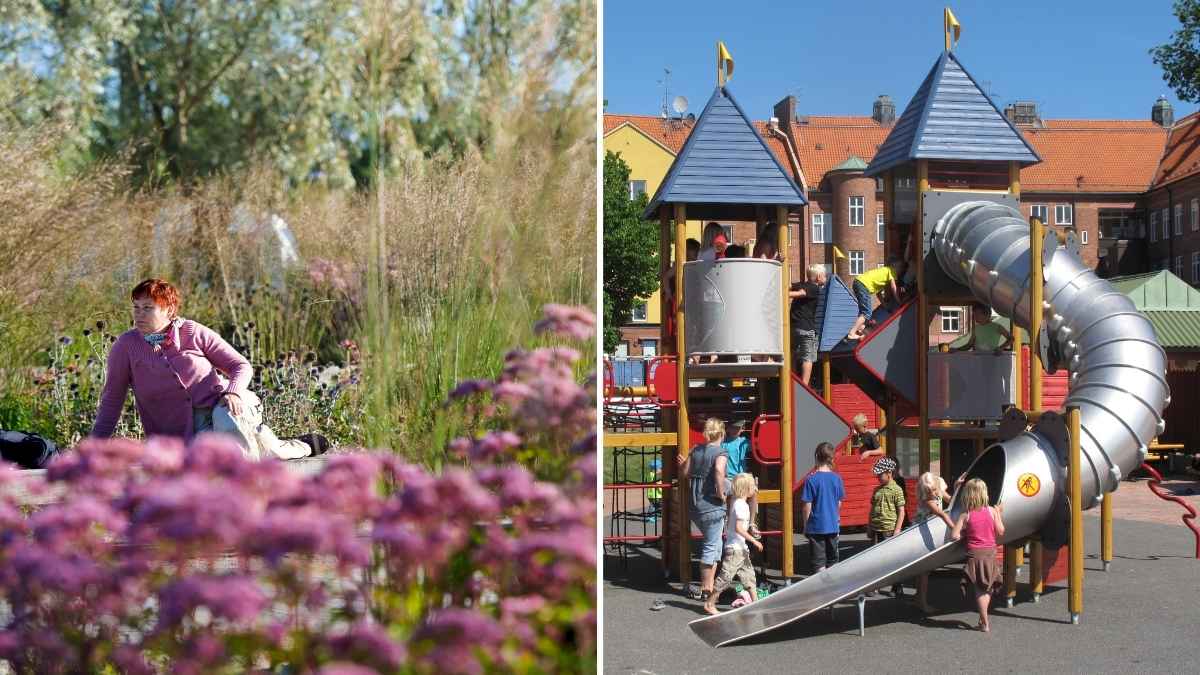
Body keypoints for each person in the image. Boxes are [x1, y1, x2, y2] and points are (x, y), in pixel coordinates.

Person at [91, 278, 329, 460]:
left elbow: (240, 365)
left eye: (148, 308)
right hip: (181, 436)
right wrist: (93, 448)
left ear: (169, 311)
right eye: (136, 308)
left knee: (229, 419)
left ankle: (253, 476)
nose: (139, 315)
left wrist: (233, 391)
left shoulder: (192, 332)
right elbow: (113, 398)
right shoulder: (126, 346)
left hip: (224, 408)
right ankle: (280, 449)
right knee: (264, 452)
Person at [677, 417, 729, 604]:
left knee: (716, 545)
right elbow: (719, 471)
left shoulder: (696, 450)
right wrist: (721, 492)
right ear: (721, 434)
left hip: (695, 505)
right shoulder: (721, 453)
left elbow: (684, 474)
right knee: (710, 546)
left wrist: (684, 464)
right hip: (711, 506)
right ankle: (706, 589)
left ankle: (710, 584)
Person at [950, 478, 1006, 632]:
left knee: (979, 589)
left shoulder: (965, 515)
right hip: (990, 553)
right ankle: (984, 620)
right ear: (984, 493)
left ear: (968, 495)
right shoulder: (992, 511)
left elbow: (954, 535)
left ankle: (984, 621)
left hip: (974, 555)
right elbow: (1001, 531)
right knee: (987, 587)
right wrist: (999, 513)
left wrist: (964, 533)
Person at [703, 472, 763, 615]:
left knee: (749, 577)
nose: (755, 490)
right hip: (735, 549)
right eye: (753, 487)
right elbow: (738, 528)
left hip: (741, 549)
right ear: (745, 489)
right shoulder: (741, 506)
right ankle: (709, 603)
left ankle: (756, 604)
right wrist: (754, 540)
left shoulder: (738, 503)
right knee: (726, 577)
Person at [801, 442, 845, 574]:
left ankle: (821, 589)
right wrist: (836, 519)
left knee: (819, 561)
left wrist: (805, 525)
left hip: (816, 527)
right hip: (832, 525)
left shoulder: (811, 480)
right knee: (832, 560)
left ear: (816, 457)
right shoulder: (837, 479)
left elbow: (806, 506)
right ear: (831, 459)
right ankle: (832, 589)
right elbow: (838, 503)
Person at [914, 472, 954, 613]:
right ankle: (922, 602)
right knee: (925, 569)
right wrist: (955, 528)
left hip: (930, 531)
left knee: (924, 570)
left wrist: (958, 486)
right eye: (928, 491)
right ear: (923, 491)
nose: (932, 493)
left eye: (934, 490)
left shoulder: (938, 491)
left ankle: (918, 597)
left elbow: (951, 500)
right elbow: (942, 514)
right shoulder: (927, 500)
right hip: (922, 533)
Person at [868, 456, 906, 597]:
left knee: (891, 559)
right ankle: (874, 586)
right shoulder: (876, 490)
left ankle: (897, 586)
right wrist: (869, 526)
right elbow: (872, 509)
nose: (877, 477)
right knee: (874, 559)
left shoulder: (896, 490)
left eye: (880, 474)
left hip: (889, 529)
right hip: (876, 528)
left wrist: (897, 529)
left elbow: (901, 511)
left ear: (889, 473)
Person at [848, 256, 903, 340]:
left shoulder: (883, 274)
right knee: (867, 313)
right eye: (899, 267)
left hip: (858, 282)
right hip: (863, 285)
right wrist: (899, 301)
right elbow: (893, 287)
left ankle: (860, 327)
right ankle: (852, 333)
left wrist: (885, 306)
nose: (900, 270)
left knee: (863, 311)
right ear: (894, 266)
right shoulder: (891, 271)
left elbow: (879, 294)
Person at [722, 420, 760, 538]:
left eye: (739, 428)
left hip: (741, 477)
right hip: (728, 477)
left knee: (753, 493)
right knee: (728, 497)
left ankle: (752, 523)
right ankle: (727, 523)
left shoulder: (743, 442)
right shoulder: (723, 443)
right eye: (734, 427)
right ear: (728, 429)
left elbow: (758, 444)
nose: (737, 430)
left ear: (743, 429)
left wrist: (762, 424)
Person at [789, 264, 826, 385]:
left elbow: (790, 286)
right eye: (825, 276)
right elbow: (801, 293)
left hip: (793, 327)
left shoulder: (802, 284)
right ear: (819, 277)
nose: (826, 278)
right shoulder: (815, 288)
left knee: (793, 354)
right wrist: (785, 295)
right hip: (806, 328)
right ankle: (804, 385)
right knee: (808, 357)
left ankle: (791, 378)